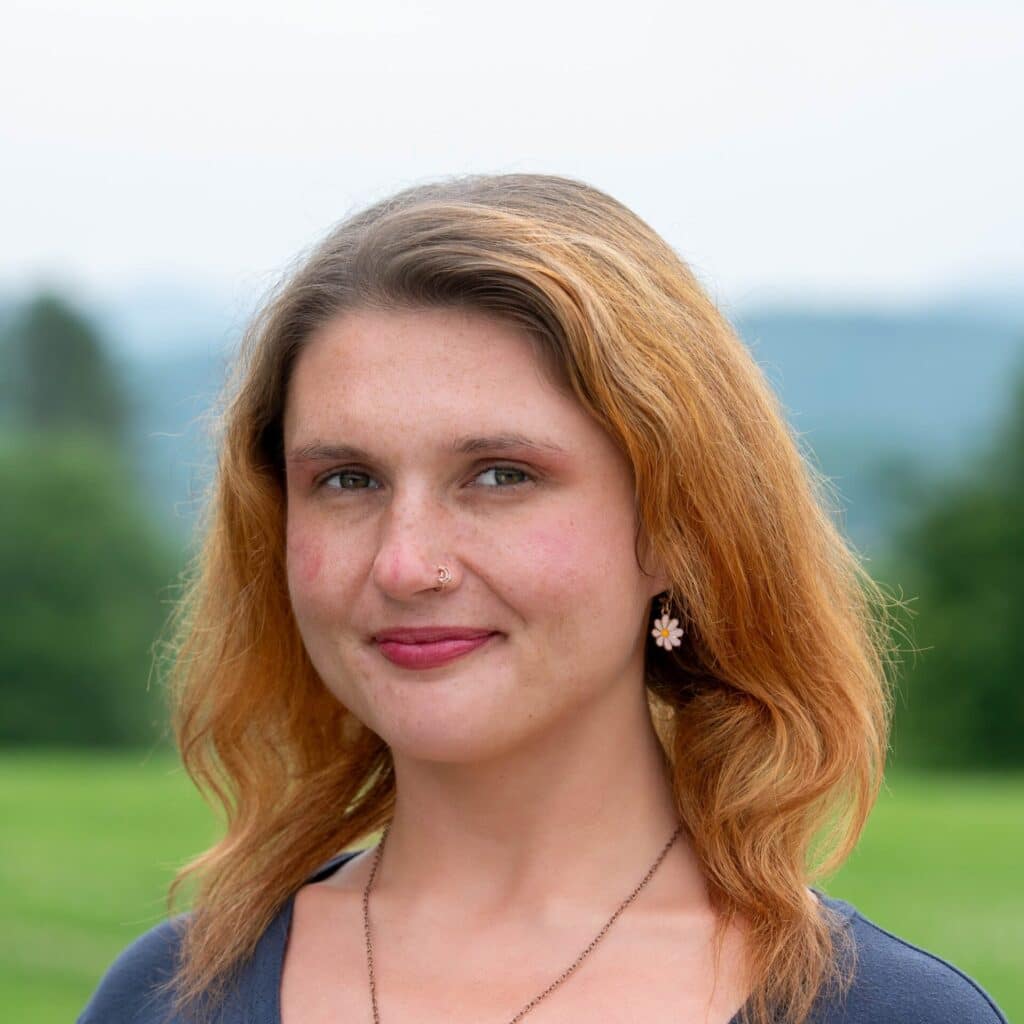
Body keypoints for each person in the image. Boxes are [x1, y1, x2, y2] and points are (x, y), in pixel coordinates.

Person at [77, 173, 1009, 1024]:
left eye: (500, 475)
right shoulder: (165, 998)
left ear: (677, 524)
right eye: (348, 480)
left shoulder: (893, 1014)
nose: (404, 564)